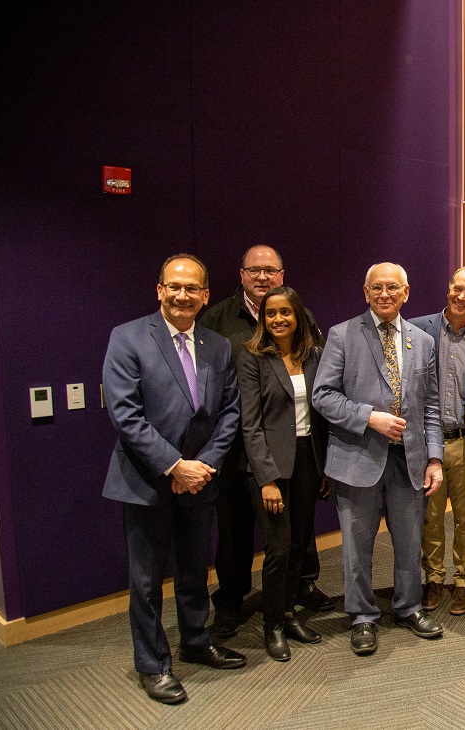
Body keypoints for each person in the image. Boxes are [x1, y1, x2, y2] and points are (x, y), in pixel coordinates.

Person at [102, 254, 246, 704]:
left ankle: (196, 641)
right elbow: (126, 415)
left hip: (200, 481)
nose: (183, 295)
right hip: (146, 482)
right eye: (174, 286)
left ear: (205, 296)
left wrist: (202, 467)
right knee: (145, 582)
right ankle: (152, 664)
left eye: (192, 288)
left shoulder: (217, 346)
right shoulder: (127, 337)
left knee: (193, 571)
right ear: (160, 289)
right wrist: (175, 466)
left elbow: (230, 414)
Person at [311, 262, 444, 656]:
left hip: (411, 460)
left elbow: (431, 406)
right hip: (357, 458)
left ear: (406, 292)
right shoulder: (342, 335)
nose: (385, 294)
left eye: (393, 288)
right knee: (356, 544)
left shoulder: (422, 341)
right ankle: (363, 616)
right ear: (365, 292)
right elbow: (323, 396)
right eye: (377, 288)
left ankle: (409, 606)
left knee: (408, 541)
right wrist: (369, 417)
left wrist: (435, 458)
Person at [199, 245, 331, 639]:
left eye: (270, 270)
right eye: (254, 270)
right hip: (241, 451)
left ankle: (289, 603)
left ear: (282, 275)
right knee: (238, 536)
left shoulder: (302, 319)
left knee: (294, 538)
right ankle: (232, 604)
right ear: (241, 275)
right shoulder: (218, 319)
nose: (262, 277)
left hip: (299, 451)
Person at [237, 286, 328, 661]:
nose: (278, 319)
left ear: (298, 316)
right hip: (270, 466)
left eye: (285, 312)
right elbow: (250, 425)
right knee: (277, 548)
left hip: (307, 458)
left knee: (298, 545)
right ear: (263, 318)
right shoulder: (252, 357)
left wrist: (325, 466)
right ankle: (272, 625)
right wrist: (267, 479)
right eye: (270, 313)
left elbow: (321, 414)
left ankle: (289, 613)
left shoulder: (312, 356)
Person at [409, 266, 465, 616]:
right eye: (457, 289)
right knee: (429, 517)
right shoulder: (416, 329)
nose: (461, 297)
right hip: (427, 441)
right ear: (449, 288)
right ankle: (433, 578)